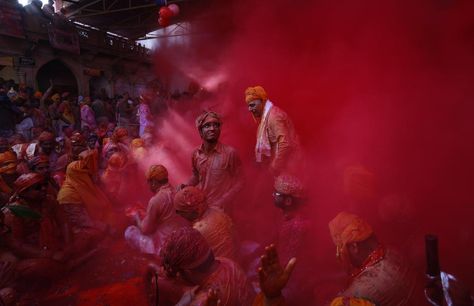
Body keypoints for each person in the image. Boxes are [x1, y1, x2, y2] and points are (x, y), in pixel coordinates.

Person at [328, 212, 421, 306]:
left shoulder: (361, 291)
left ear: (354, 247)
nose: (341, 256)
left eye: (340, 249)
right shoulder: (393, 251)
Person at [159, 227, 253, 306]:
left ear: (188, 272)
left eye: (179, 274)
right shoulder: (227, 263)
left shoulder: (204, 300)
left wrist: (181, 304)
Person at [3, 173, 64, 283]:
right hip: (29, 254)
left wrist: (69, 245)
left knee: (86, 236)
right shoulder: (14, 212)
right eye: (38, 187)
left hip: (51, 244)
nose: (44, 188)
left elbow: (64, 223)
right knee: (39, 267)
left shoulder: (48, 200)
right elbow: (18, 246)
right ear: (24, 193)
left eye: (45, 184)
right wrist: (50, 255)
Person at [183, 111, 243, 212]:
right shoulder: (196, 154)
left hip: (224, 210)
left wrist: (223, 200)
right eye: (207, 126)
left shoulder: (230, 153)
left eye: (216, 125)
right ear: (200, 131)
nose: (212, 128)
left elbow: (241, 181)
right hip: (202, 207)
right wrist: (185, 186)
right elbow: (196, 176)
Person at [124, 165, 187, 254]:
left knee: (130, 232)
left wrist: (137, 217)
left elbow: (145, 230)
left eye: (148, 183)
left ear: (153, 182)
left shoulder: (156, 200)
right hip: (186, 236)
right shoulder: (177, 191)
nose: (148, 186)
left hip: (169, 244)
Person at [244, 86, 299, 175]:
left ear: (262, 101)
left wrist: (275, 167)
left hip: (290, 170)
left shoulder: (274, 117)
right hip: (284, 168)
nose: (249, 109)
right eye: (248, 106)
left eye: (252, 105)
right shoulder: (265, 118)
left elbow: (285, 144)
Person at [174, 186, 235, 259]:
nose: (180, 215)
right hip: (235, 259)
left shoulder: (199, 230)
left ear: (190, 210)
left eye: (180, 212)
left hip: (223, 265)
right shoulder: (215, 210)